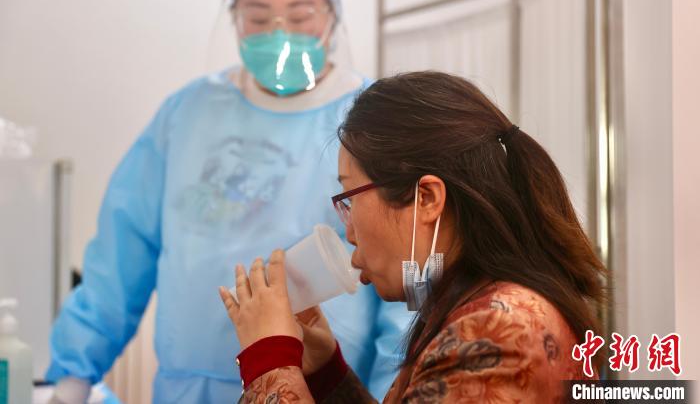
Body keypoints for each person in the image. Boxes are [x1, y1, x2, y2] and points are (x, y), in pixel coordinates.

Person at [46, 0, 412, 403]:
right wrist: (73, 377)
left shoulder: (369, 120)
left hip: (319, 388)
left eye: (300, 16)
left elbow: (404, 278)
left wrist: (389, 393)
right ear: (235, 19)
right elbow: (120, 255)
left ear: (331, 16)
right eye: (258, 18)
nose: (279, 32)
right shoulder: (189, 113)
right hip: (187, 389)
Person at [219, 71, 608, 402]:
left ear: (427, 199)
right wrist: (325, 372)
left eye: (350, 198)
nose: (348, 232)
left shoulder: (498, 334)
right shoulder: (487, 308)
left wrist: (269, 359)